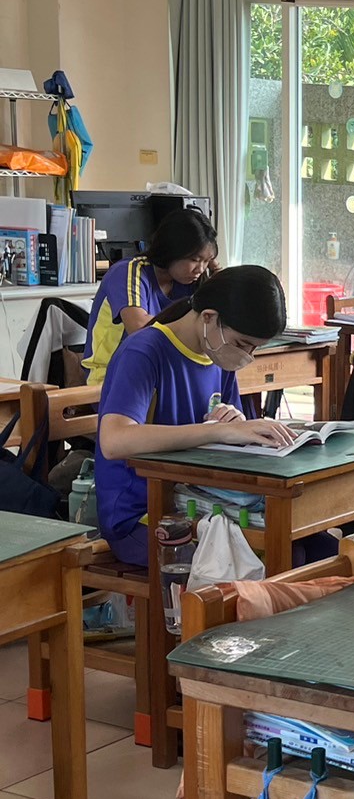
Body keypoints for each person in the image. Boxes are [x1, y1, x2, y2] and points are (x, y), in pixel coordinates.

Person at [94, 266, 296, 567]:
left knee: (312, 548)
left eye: (255, 348)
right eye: (242, 344)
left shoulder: (217, 354)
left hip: (202, 502)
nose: (247, 356)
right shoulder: (144, 351)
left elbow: (229, 430)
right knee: (278, 563)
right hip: (143, 514)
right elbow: (114, 440)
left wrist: (234, 421)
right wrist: (217, 431)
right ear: (209, 317)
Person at [83, 208, 219, 387]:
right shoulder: (128, 271)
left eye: (206, 261)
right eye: (195, 259)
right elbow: (139, 330)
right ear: (172, 250)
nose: (200, 269)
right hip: (110, 376)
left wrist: (218, 274)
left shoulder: (190, 280)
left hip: (162, 372)